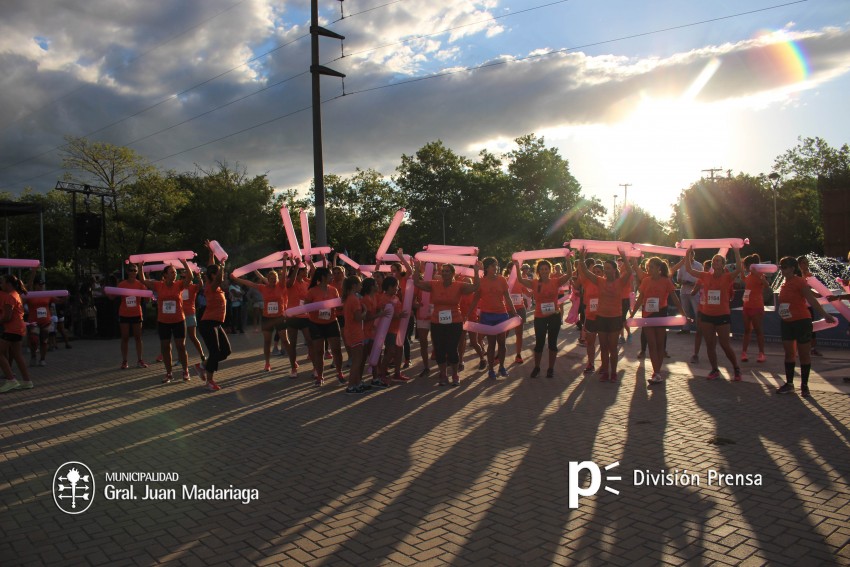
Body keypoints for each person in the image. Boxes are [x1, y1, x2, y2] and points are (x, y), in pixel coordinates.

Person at [412, 261, 480, 386]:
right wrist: (416, 268)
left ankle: (455, 374)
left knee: (452, 349)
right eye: (443, 271)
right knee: (439, 349)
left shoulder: (459, 285)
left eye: (447, 271)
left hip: (454, 322)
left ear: (453, 273)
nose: (444, 273)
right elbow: (416, 282)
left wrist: (476, 271)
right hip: (437, 322)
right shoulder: (434, 285)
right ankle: (443, 374)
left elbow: (475, 286)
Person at [775, 256, 834, 397]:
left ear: (792, 268)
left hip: (801, 321)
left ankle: (804, 386)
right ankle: (789, 384)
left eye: (784, 266)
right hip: (787, 322)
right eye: (781, 266)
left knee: (803, 354)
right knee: (789, 353)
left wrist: (825, 315)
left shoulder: (799, 282)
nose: (781, 269)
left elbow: (812, 300)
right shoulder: (784, 284)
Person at [683, 247, 743, 381]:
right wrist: (687, 254)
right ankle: (714, 369)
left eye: (718, 261)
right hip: (706, 315)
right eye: (713, 261)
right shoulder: (705, 276)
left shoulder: (727, 277)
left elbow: (739, 269)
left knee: (725, 344)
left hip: (722, 315)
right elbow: (689, 270)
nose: (715, 262)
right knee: (710, 344)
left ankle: (736, 369)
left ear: (723, 264)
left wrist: (737, 252)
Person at [575, 248, 632, 381]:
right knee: (604, 347)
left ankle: (614, 373)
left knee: (613, 347)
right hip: (601, 318)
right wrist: (582, 257)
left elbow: (629, 271)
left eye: (608, 268)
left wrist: (624, 257)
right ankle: (605, 372)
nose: (606, 270)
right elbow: (586, 272)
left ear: (614, 269)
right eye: (605, 268)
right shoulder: (600, 281)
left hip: (615, 319)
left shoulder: (620, 282)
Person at [630, 257, 688, 384]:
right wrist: (632, 315)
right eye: (648, 266)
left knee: (660, 344)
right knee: (651, 344)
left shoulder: (666, 281)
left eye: (651, 267)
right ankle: (656, 372)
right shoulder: (645, 281)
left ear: (658, 268)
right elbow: (640, 299)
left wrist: (684, 315)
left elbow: (675, 299)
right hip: (647, 315)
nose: (648, 269)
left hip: (661, 314)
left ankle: (657, 371)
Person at [514, 256, 573, 378]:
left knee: (552, 343)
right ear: (538, 271)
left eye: (546, 269)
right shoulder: (534, 282)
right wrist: (517, 265)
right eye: (542, 269)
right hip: (540, 316)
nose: (544, 271)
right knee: (539, 343)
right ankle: (537, 367)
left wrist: (567, 260)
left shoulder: (555, 281)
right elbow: (520, 279)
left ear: (550, 270)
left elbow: (569, 274)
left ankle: (550, 368)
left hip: (554, 316)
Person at [230, 262, 288, 372]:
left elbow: (284, 273)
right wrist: (236, 278)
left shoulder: (281, 286)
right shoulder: (262, 287)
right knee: (267, 342)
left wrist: (285, 261)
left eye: (274, 278)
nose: (273, 280)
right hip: (267, 318)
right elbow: (249, 283)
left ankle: (292, 361)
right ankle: (267, 363)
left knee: (285, 341)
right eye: (271, 278)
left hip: (279, 317)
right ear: (268, 279)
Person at [467, 257, 518, 379]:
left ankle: (501, 366)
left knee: (501, 343)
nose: (496, 268)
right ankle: (490, 369)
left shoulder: (501, 280)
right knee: (491, 343)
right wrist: (468, 314)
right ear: (487, 268)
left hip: (501, 315)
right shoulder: (481, 281)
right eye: (493, 266)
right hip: (487, 316)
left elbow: (507, 297)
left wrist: (514, 312)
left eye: (497, 265)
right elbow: (475, 299)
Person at [141, 261, 191, 383]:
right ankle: (169, 373)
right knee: (165, 347)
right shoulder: (159, 285)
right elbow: (143, 281)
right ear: (165, 275)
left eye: (175, 272)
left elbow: (190, 277)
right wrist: (139, 266)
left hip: (178, 320)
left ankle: (185, 371)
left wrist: (184, 263)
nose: (174, 274)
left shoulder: (179, 284)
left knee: (181, 346)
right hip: (163, 321)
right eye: (172, 272)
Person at [197, 241, 230, 391]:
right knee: (215, 352)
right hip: (208, 323)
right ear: (212, 275)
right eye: (217, 273)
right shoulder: (211, 287)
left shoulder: (215, 287)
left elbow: (212, 269)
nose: (220, 276)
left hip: (216, 323)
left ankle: (202, 365)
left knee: (226, 351)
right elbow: (216, 278)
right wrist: (222, 265)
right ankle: (209, 381)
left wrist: (211, 255)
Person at [305, 267, 344, 386]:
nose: (332, 277)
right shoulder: (312, 291)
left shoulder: (333, 290)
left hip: (332, 322)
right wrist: (317, 306)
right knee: (319, 351)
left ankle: (339, 373)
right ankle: (320, 376)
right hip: (316, 324)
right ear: (323, 277)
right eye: (330, 275)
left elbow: (338, 307)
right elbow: (306, 307)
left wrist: (341, 305)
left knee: (336, 350)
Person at [109, 263, 148, 369]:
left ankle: (140, 360)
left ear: (137, 272)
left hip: (136, 313)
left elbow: (147, 300)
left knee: (138, 337)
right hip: (124, 314)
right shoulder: (122, 284)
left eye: (135, 270)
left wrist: (148, 294)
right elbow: (112, 297)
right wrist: (107, 291)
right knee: (125, 337)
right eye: (130, 270)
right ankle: (124, 361)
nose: (132, 272)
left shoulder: (140, 284)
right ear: (127, 272)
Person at [0, 275, 34, 392]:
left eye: (2, 282)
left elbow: (7, 317)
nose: (1, 284)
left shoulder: (9, 297)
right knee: (18, 355)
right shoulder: (16, 294)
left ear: (8, 284)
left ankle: (11, 380)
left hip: (11, 329)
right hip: (19, 329)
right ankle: (27, 381)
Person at [285, 258, 313, 379]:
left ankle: (316, 367)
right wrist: (296, 266)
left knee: (310, 341)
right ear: (299, 271)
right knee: (293, 344)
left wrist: (312, 263)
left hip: (305, 317)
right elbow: (289, 283)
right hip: (293, 317)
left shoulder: (306, 283)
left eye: (306, 270)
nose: (306, 272)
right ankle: (293, 368)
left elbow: (316, 276)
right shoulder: (291, 282)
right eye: (304, 270)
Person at [741, 254, 768, 363]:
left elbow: (767, 286)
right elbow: (742, 276)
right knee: (747, 330)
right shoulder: (748, 277)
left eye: (747, 266)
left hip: (757, 307)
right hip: (747, 306)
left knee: (758, 330)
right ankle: (744, 352)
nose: (746, 268)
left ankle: (761, 353)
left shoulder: (760, 275)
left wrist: (758, 275)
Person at [181, 265, 206, 371]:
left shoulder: (193, 286)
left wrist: (198, 275)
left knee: (192, 336)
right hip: (179, 314)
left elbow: (201, 285)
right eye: (181, 276)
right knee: (180, 339)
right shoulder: (179, 286)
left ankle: (202, 355)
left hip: (190, 313)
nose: (183, 278)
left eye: (185, 275)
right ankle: (180, 358)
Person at [24, 272, 51, 367]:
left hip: (45, 322)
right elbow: (21, 302)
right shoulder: (30, 295)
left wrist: (65, 297)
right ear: (35, 285)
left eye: (43, 285)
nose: (42, 286)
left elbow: (58, 300)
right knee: (34, 340)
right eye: (40, 285)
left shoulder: (47, 294)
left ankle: (42, 359)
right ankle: (33, 356)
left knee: (44, 341)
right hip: (34, 322)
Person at [797, 255, 822, 356]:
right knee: (801, 327)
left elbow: (812, 288)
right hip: (800, 305)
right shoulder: (797, 276)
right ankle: (800, 348)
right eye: (804, 263)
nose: (806, 265)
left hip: (808, 304)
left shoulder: (809, 275)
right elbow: (804, 289)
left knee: (811, 327)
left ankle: (812, 348)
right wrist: (815, 294)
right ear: (799, 265)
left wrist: (818, 294)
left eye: (807, 262)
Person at [507, 265, 530, 364]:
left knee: (519, 334)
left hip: (520, 309)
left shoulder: (521, 280)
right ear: (509, 270)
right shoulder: (505, 280)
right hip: (507, 310)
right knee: (504, 334)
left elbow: (528, 293)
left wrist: (535, 288)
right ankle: (499, 354)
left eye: (517, 269)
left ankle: (518, 355)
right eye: (513, 268)